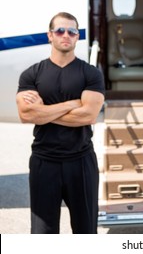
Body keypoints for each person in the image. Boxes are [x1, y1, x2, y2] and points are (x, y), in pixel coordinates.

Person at [16, 12, 105, 234]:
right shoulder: (32, 74)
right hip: (44, 162)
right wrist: (71, 104)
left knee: (86, 232)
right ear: (50, 35)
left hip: (81, 162)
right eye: (60, 30)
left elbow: (89, 116)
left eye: (72, 31)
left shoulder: (91, 74)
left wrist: (43, 110)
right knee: (43, 234)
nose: (66, 35)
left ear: (77, 37)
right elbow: (26, 115)